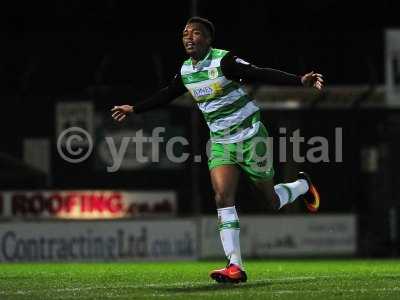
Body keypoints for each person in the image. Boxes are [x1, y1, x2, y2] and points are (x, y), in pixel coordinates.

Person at [111, 16, 323, 284]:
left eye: (196, 33)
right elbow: (167, 93)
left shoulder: (224, 61)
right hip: (221, 142)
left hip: (251, 136)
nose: (189, 37)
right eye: (185, 33)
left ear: (209, 40)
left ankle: (302, 185)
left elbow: (259, 72)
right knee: (222, 197)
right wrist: (135, 108)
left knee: (270, 200)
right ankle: (235, 265)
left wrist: (299, 80)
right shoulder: (187, 70)